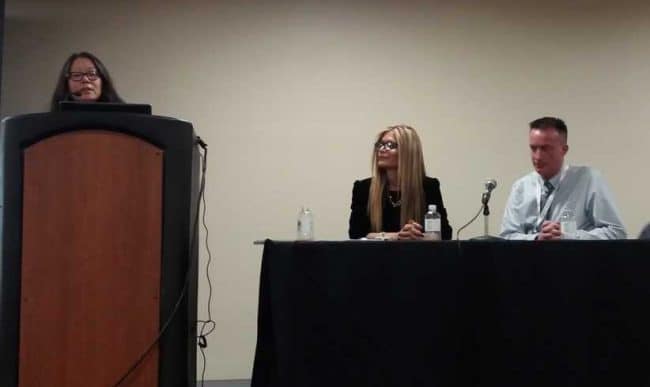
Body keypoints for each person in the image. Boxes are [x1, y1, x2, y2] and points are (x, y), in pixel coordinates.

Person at [500, 117, 626, 240]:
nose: (537, 156)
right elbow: (507, 236)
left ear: (564, 150)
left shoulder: (588, 180)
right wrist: (537, 238)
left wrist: (569, 237)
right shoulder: (521, 187)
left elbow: (616, 232)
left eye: (545, 149)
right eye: (533, 148)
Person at [348, 125, 452, 240]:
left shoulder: (428, 187)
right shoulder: (364, 188)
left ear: (408, 152)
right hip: (376, 256)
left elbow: (445, 235)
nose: (382, 149)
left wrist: (417, 235)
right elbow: (356, 234)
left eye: (390, 145)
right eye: (380, 145)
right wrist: (396, 236)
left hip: (417, 256)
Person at [50, 52, 124, 111]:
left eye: (92, 74)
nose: (85, 79)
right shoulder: (53, 122)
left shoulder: (125, 116)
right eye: (76, 75)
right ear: (66, 84)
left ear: (103, 80)